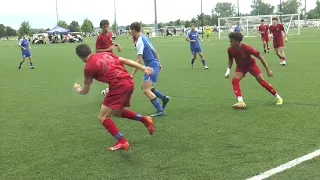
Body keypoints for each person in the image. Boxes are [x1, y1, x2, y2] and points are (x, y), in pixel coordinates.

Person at [74, 44, 155, 151]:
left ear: (81, 57)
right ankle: (144, 119)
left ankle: (122, 141)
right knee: (117, 112)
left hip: (118, 86)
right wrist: (143, 67)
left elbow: (86, 90)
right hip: (129, 82)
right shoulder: (105, 54)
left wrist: (78, 90)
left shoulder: (88, 67)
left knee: (102, 117)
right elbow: (125, 60)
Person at [224, 32, 283, 109]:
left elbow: (260, 56)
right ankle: (241, 102)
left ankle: (278, 97)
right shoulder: (230, 50)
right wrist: (228, 70)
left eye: (231, 42)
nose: (230, 43)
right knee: (234, 81)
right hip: (240, 67)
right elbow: (230, 59)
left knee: (262, 82)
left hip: (251, 65)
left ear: (237, 42)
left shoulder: (247, 48)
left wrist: (268, 70)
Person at [130, 22, 170, 117]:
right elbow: (155, 51)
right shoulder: (144, 37)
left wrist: (132, 74)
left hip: (151, 66)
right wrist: (159, 63)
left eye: (130, 29)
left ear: (134, 30)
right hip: (153, 64)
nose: (129, 31)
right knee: (144, 87)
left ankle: (160, 110)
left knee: (146, 90)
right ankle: (164, 98)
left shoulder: (140, 41)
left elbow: (139, 61)